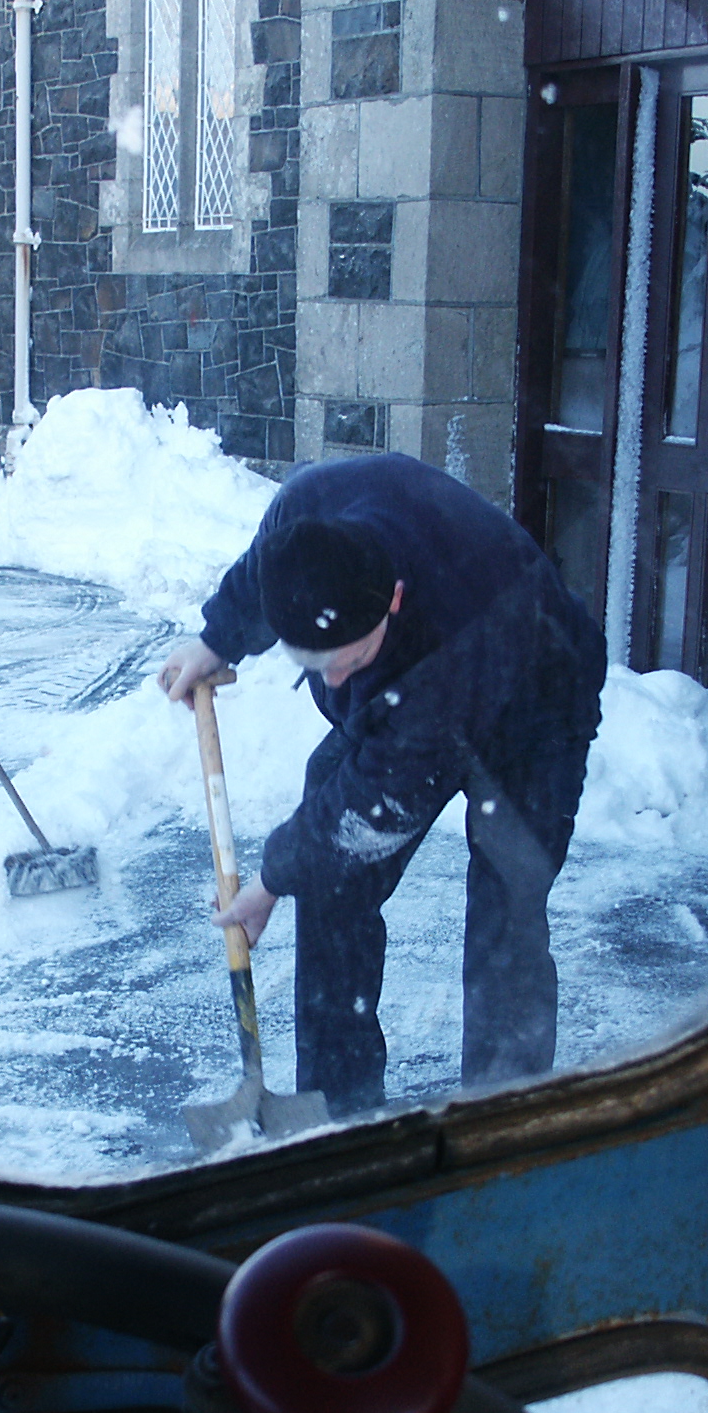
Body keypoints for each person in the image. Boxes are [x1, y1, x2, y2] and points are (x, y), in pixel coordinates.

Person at [158, 453, 605, 1113]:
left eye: (351, 661)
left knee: (507, 904)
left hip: (536, 703)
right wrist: (217, 639)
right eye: (313, 664)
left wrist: (270, 879)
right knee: (332, 880)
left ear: (391, 600)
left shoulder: (449, 651)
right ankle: (340, 1102)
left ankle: (502, 1109)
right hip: (425, 684)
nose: (334, 683)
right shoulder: (307, 514)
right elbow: (265, 572)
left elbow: (369, 810)